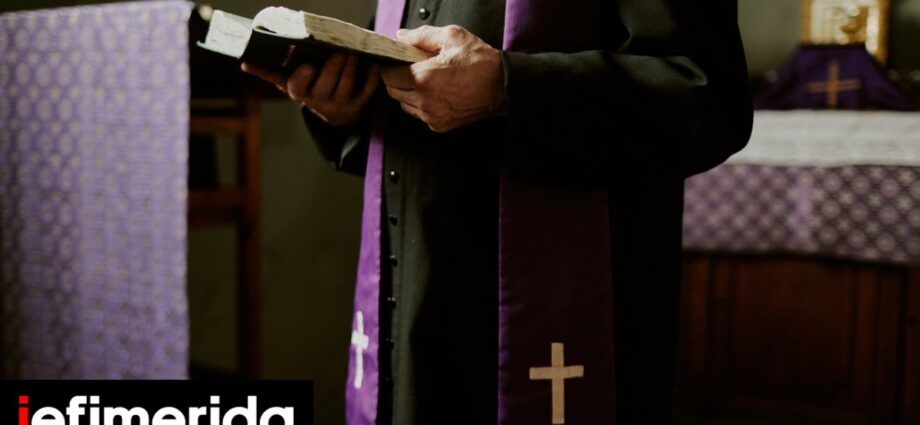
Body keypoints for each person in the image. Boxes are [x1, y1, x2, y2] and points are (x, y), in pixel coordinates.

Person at [243, 0, 753, 423]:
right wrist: (346, 106)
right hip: (410, 303)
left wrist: (506, 88)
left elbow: (708, 97)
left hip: (553, 317)